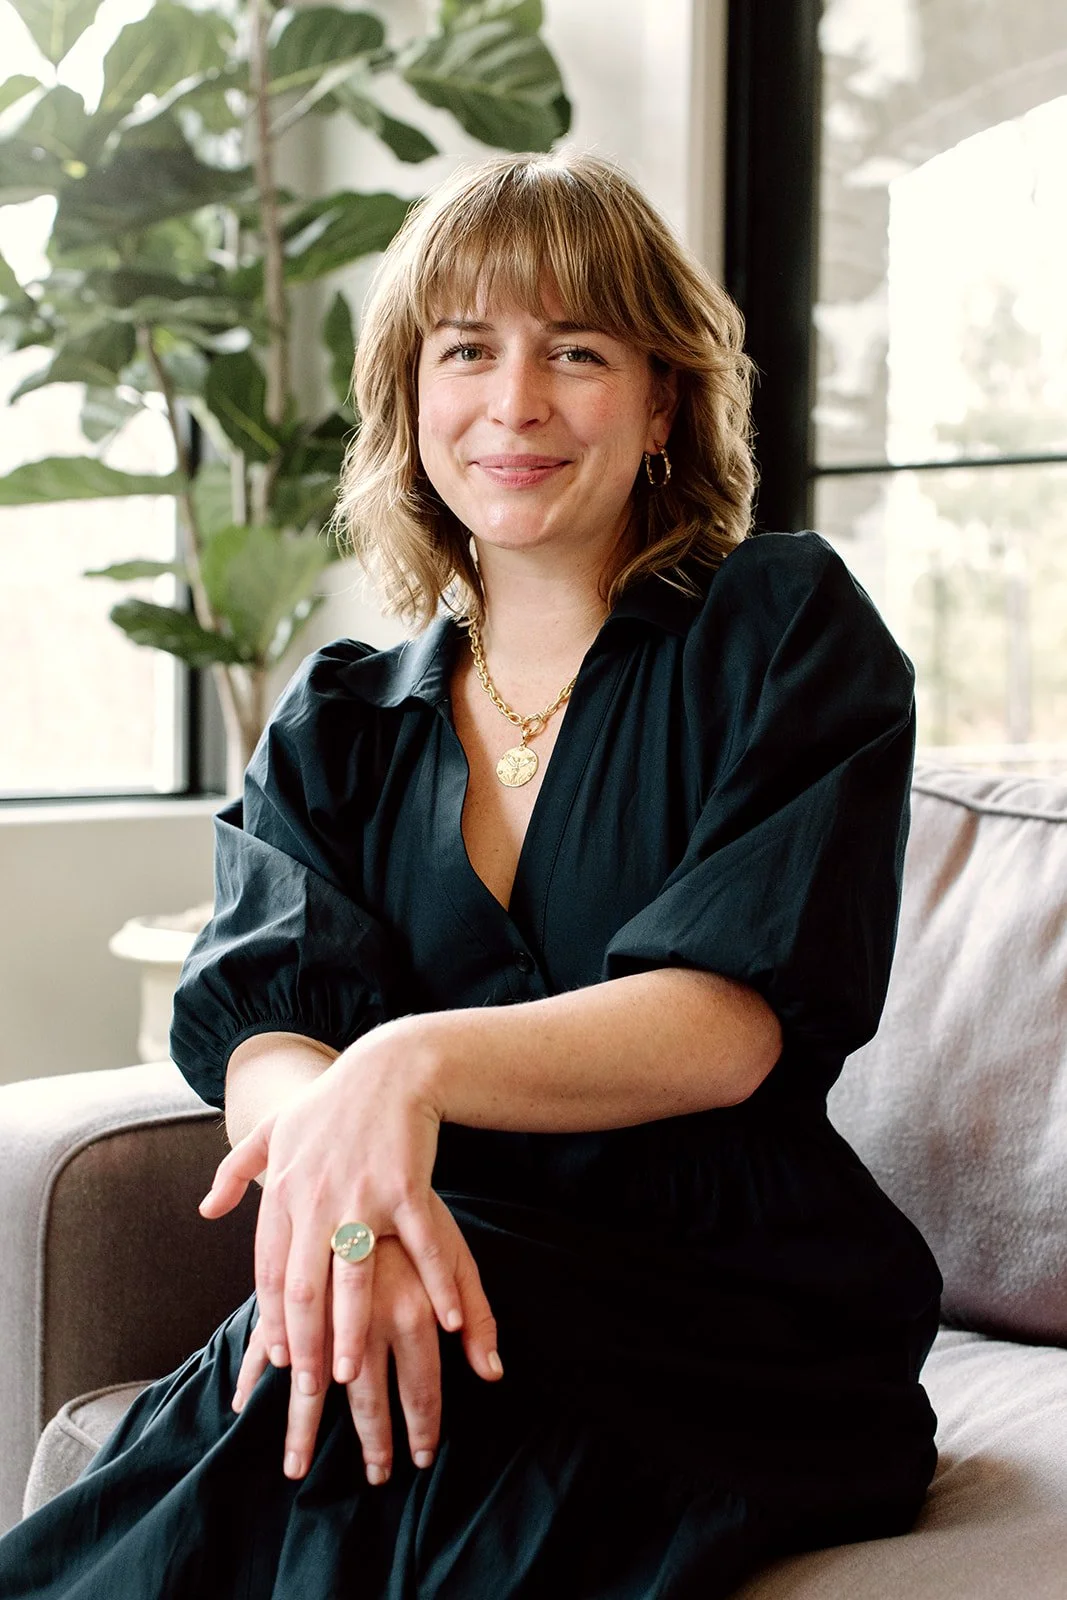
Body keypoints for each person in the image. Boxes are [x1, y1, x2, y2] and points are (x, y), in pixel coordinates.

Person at [0, 150, 942, 1600]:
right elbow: (267, 1032)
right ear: (411, 401)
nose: (515, 401)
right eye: (466, 351)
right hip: (445, 1264)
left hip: (735, 1311)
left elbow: (722, 1023)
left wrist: (406, 1066)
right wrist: (354, 1219)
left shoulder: (780, 629)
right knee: (337, 1382)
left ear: (662, 402)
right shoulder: (338, 721)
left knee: (346, 1408)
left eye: (577, 351)